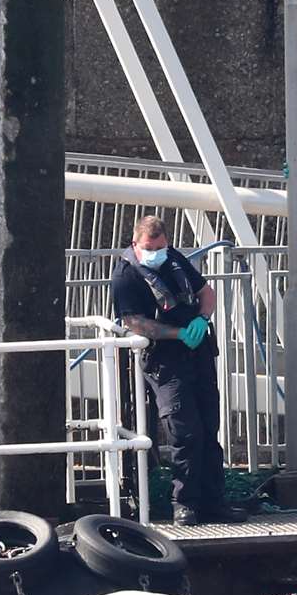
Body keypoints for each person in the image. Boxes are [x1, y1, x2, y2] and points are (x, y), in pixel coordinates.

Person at [112, 215, 246, 525]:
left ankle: (214, 502)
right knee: (185, 432)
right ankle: (183, 503)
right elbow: (134, 322)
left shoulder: (173, 258)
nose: (157, 253)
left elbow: (205, 292)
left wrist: (203, 318)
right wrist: (177, 334)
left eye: (161, 246)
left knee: (209, 427)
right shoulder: (126, 275)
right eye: (150, 247)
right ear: (136, 244)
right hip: (164, 361)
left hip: (197, 354)